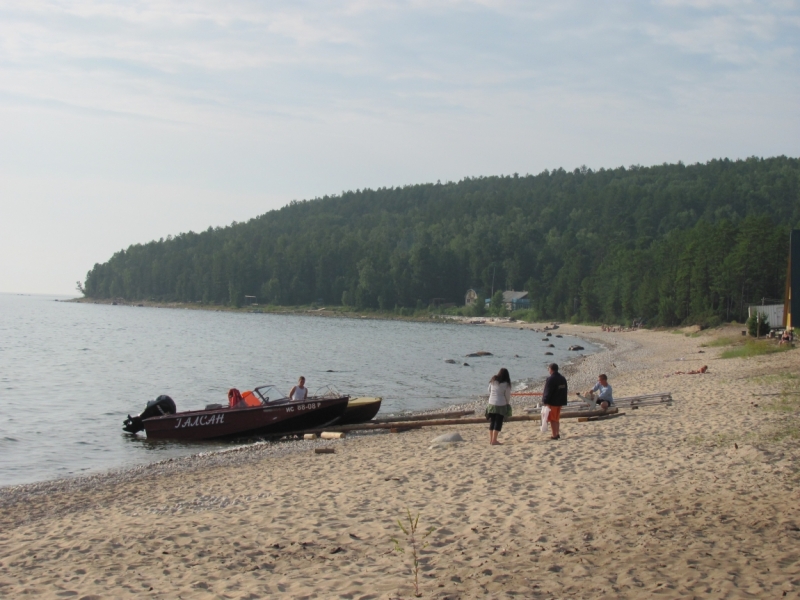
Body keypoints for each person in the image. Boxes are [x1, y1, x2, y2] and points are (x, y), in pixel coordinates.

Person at [485, 368, 512, 445]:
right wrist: (507, 403)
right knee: (498, 422)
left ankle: (491, 440)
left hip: (491, 403)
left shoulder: (493, 380)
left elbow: (489, 390)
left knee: (492, 421)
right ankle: (494, 440)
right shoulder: (506, 384)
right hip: (501, 404)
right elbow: (507, 396)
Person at [542, 363, 568, 440]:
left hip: (553, 402)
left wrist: (545, 400)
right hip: (560, 401)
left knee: (553, 419)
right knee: (556, 418)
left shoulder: (551, 379)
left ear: (551, 369)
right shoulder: (562, 378)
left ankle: (554, 435)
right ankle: (557, 433)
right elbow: (565, 390)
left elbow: (548, 391)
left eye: (548, 369)